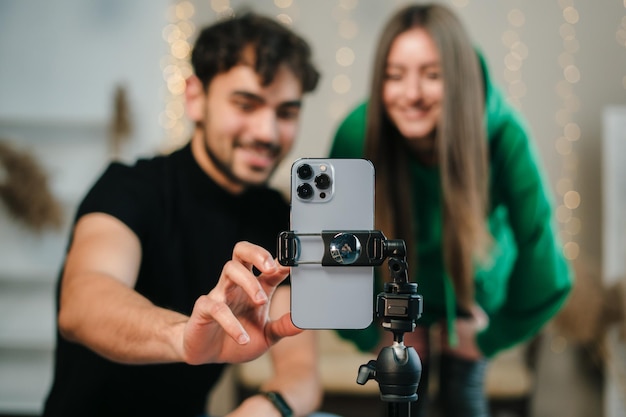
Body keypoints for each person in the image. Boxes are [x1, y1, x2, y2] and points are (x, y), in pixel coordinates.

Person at [42, 12, 331, 417]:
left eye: (285, 112)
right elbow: (83, 300)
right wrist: (184, 337)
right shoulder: (129, 187)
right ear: (195, 97)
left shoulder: (278, 218)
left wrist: (269, 406)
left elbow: (300, 369)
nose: (267, 131)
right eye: (245, 104)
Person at [329, 4, 573, 417]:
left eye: (432, 74)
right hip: (393, 299)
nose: (412, 94)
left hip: (472, 301)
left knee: (465, 400)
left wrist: (492, 338)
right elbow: (331, 251)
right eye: (394, 75)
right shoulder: (358, 135)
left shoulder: (504, 135)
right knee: (401, 402)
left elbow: (542, 256)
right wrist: (368, 332)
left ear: (457, 78)